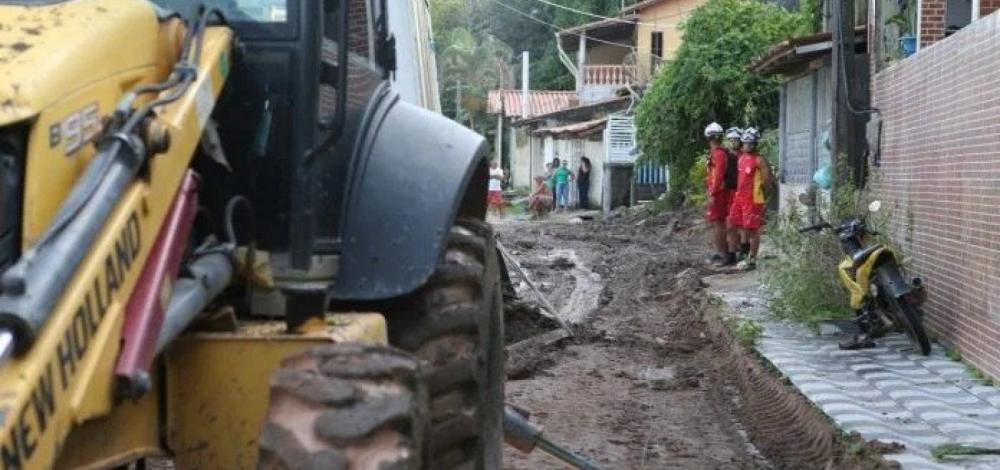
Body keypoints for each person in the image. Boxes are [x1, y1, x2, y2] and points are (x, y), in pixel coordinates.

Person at [727, 127, 773, 270]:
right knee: (734, 223)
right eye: (744, 143)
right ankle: (742, 251)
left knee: (753, 230)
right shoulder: (741, 158)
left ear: (754, 144)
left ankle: (751, 260)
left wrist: (763, 197)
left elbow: (767, 181)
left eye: (749, 143)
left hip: (753, 199)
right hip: (740, 197)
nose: (746, 145)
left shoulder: (759, 160)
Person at [703, 122, 734, 266]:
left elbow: (718, 175)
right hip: (718, 191)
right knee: (718, 223)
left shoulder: (719, 154)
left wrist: (712, 193)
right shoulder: (718, 153)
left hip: (719, 193)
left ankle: (723, 254)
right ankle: (721, 251)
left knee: (718, 223)